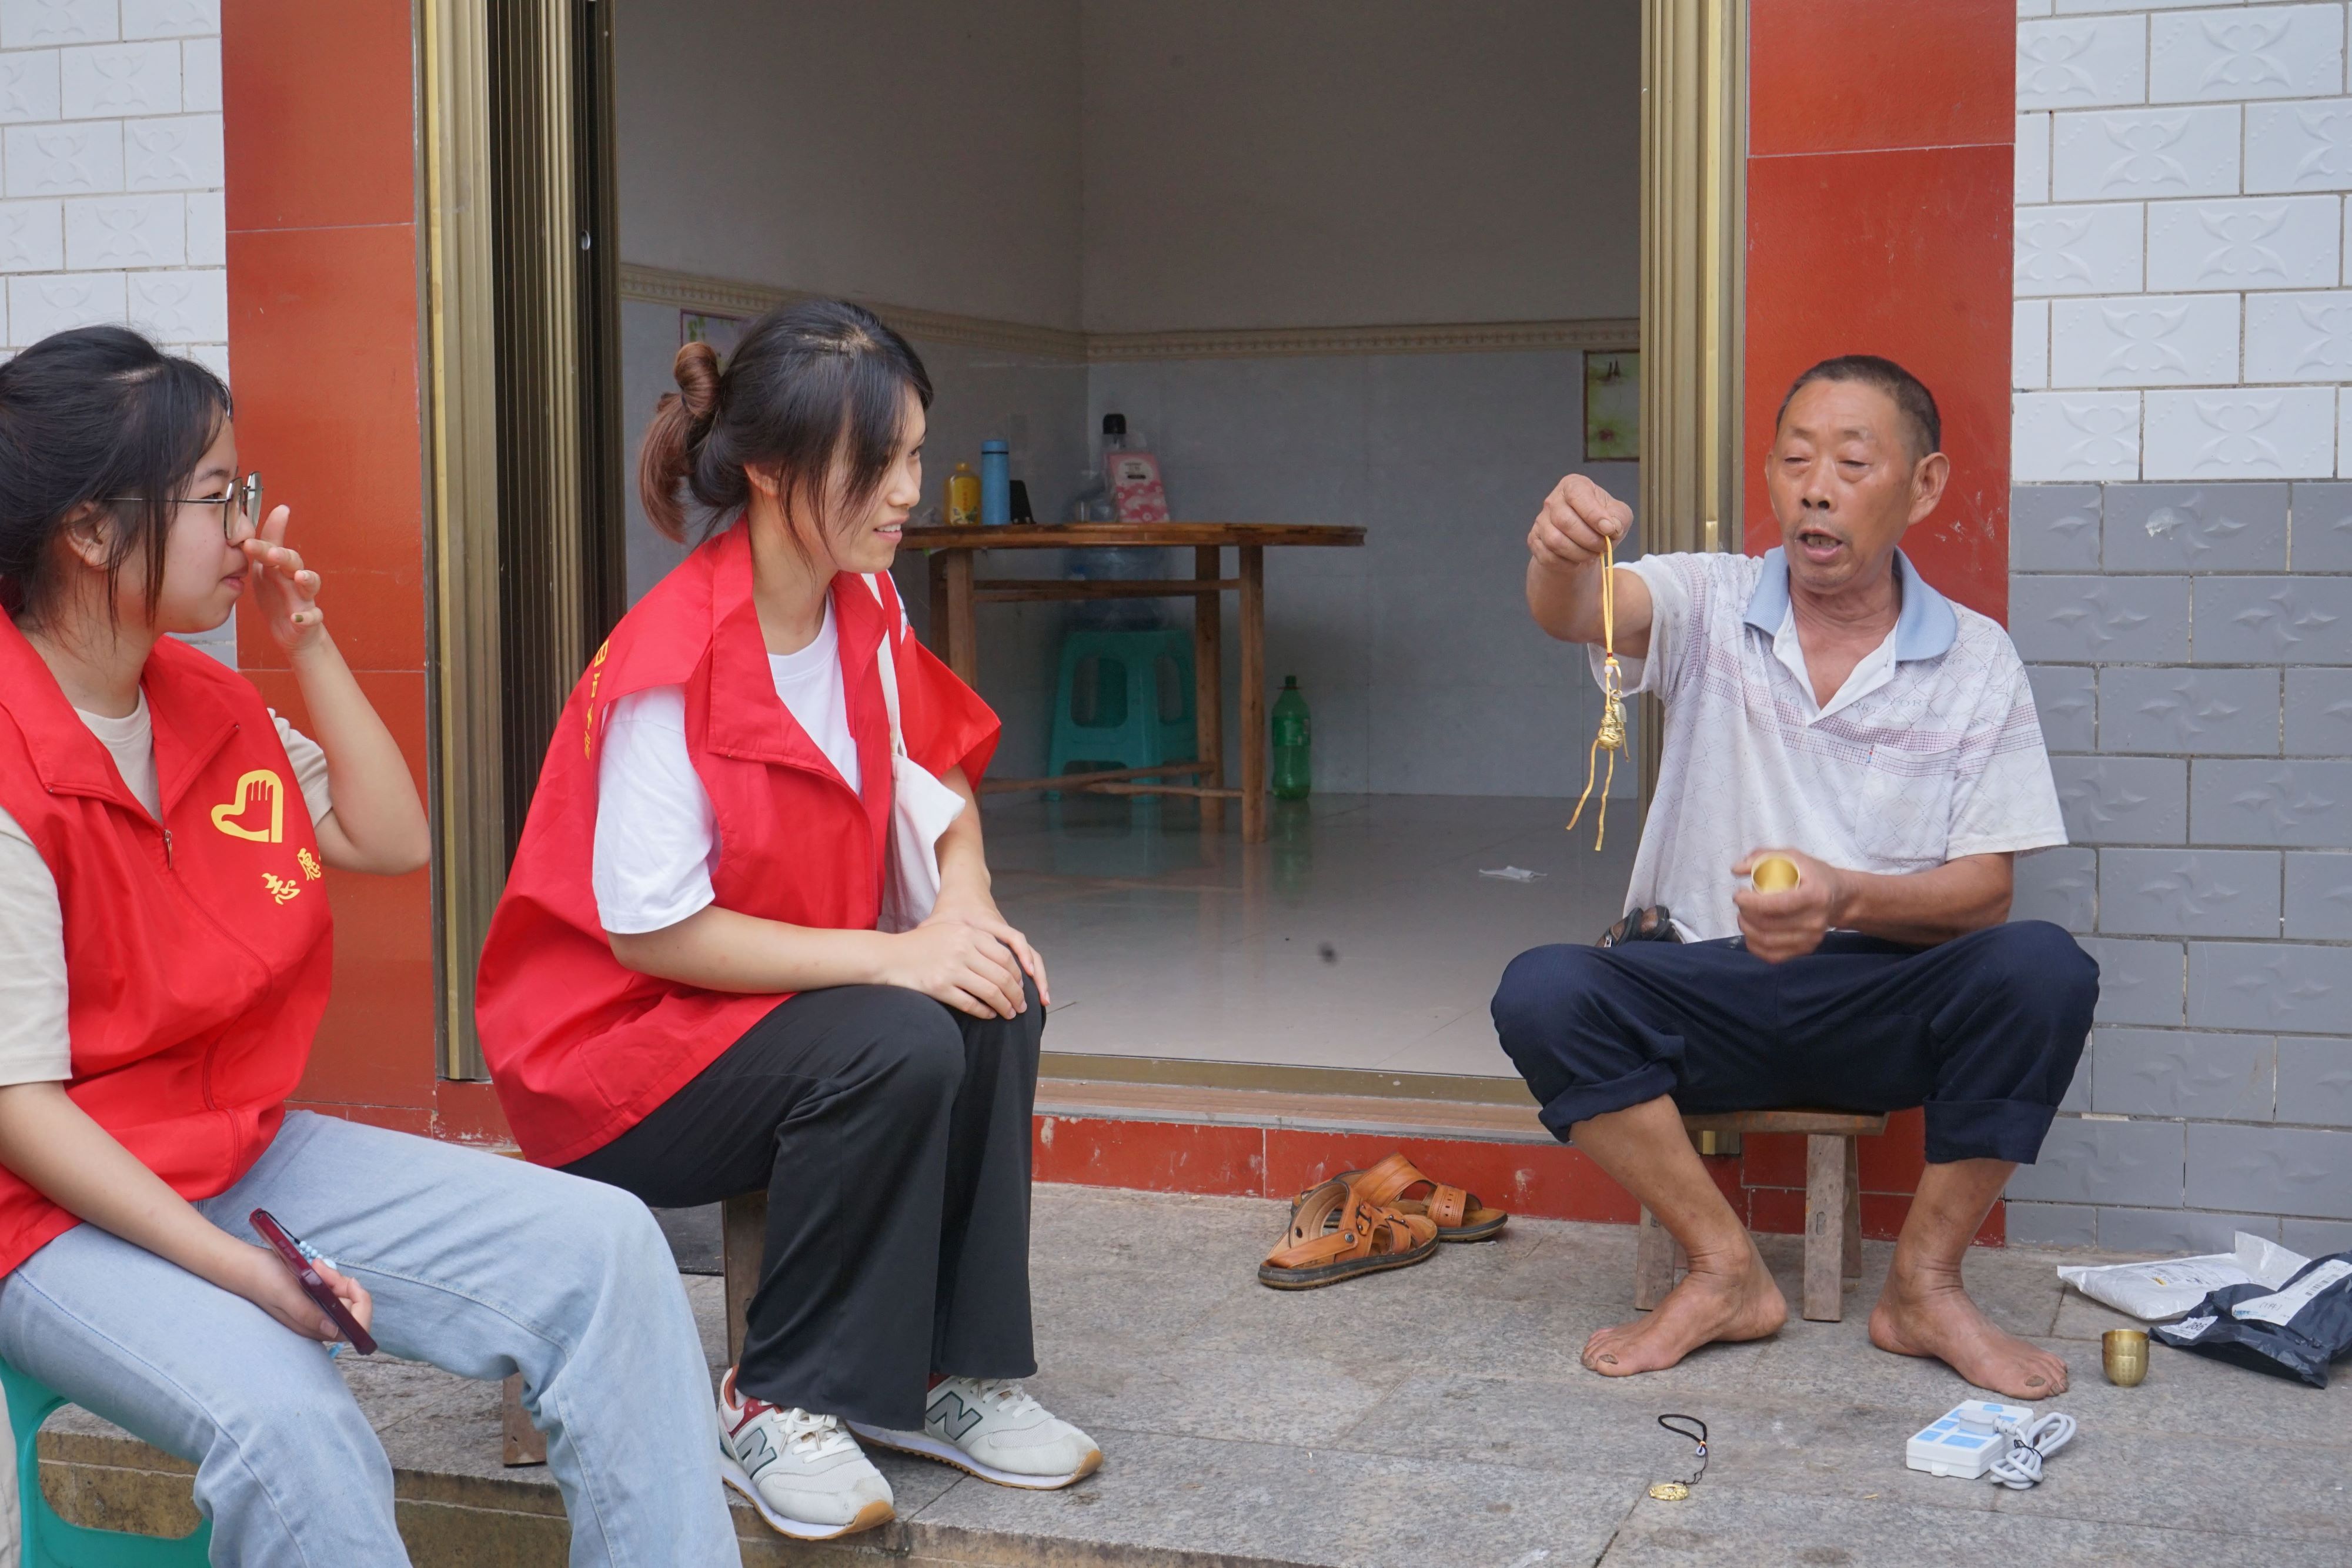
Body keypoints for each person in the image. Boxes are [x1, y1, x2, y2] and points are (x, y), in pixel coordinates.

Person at [0, 326, 737, 1563]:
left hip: (230, 1147)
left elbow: (389, 835)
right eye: (214, 496)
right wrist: (244, 1275)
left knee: (602, 1246)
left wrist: (309, 638)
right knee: (289, 1418)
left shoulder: (201, 697)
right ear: (88, 530)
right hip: (50, 1213)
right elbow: (21, 1110)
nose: (246, 527)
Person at [475, 300, 1100, 1543]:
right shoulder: (669, 663)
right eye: (880, 463)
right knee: (899, 1033)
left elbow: (938, 776)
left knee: (997, 991)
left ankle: (946, 1373)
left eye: (917, 454)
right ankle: (774, 1397)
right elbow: (652, 934)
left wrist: (963, 909)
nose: (908, 491)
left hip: (760, 1017)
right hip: (618, 1063)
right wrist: (895, 955)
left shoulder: (865, 611)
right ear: (768, 469)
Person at [1492, 355, 2097, 1402]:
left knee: (2043, 969)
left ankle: (1925, 1287)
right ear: (1770, 480)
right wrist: (1560, 553)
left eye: (1855, 462)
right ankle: (1726, 1272)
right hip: (1700, 987)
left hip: (1875, 996)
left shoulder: (1977, 660)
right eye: (1796, 460)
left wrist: (1846, 898)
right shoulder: (1712, 598)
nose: (1817, 486)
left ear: (1925, 486)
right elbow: (1577, 610)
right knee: (1542, 989)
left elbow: (1985, 893)